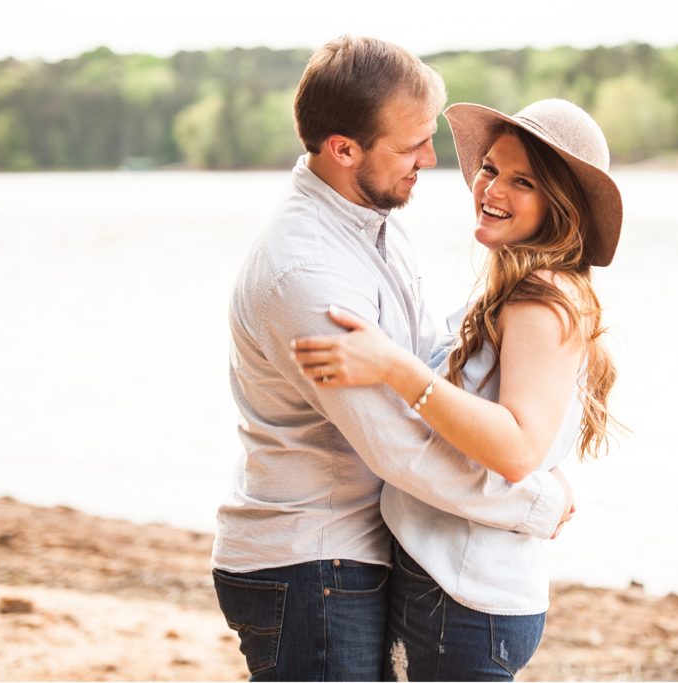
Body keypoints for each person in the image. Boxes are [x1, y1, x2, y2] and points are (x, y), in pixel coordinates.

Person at [211, 36, 574, 682]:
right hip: (311, 562)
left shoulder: (372, 219)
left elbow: (429, 359)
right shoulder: (307, 273)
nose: (431, 161)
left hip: (354, 552)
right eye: (411, 147)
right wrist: (536, 502)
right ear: (343, 150)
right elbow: (399, 447)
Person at [292, 98, 623, 681]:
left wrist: (394, 368)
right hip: (450, 583)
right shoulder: (517, 285)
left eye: (523, 182)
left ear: (560, 206)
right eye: (491, 168)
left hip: (465, 599)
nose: (492, 188)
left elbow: (517, 449)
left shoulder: (540, 299)